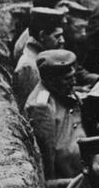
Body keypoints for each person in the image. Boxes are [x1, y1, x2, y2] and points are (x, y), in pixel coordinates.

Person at [24, 49, 85, 178]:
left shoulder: (60, 90)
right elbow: (48, 154)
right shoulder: (42, 106)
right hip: (68, 178)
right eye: (67, 79)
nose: (73, 82)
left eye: (74, 77)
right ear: (51, 80)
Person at [13, 7, 67, 107]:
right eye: (57, 36)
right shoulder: (30, 67)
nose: (62, 40)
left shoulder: (40, 57)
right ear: (42, 36)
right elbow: (36, 108)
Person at [11, 0, 67, 65]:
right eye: (61, 5)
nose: (66, 10)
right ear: (47, 9)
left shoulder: (46, 28)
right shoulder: (33, 40)